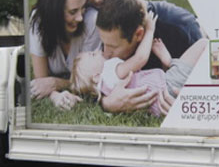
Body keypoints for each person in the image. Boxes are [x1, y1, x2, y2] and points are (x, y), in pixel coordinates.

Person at [70, 7, 207, 117]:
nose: (100, 50)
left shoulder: (108, 91)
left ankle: (170, 63)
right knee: (204, 44)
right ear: (96, 77)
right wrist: (150, 30)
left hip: (159, 103)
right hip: (168, 86)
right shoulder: (110, 73)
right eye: (93, 54)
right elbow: (140, 59)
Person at [95, 0, 204, 114]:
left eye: (113, 47)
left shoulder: (180, 31)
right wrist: (107, 103)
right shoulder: (112, 30)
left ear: (139, 34)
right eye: (104, 44)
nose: (105, 53)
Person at [28, 0, 101, 109]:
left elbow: (88, 81)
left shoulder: (92, 21)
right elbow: (41, 81)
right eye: (73, 12)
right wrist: (55, 96)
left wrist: (56, 83)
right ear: (54, 10)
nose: (80, 18)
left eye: (83, 8)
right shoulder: (38, 23)